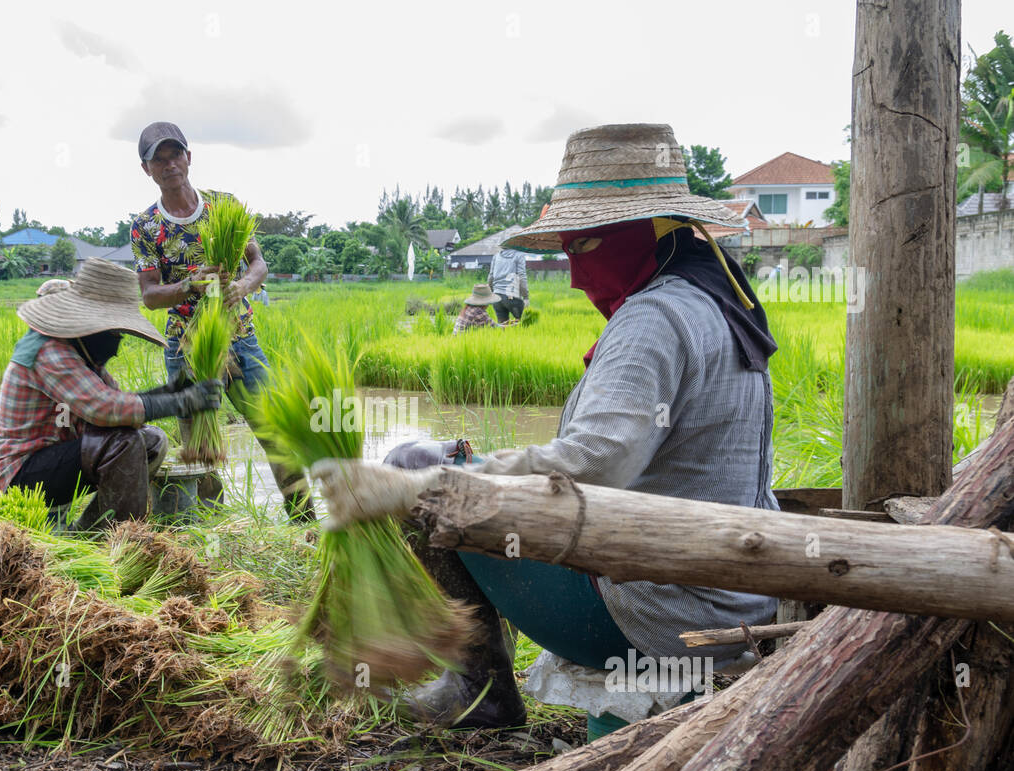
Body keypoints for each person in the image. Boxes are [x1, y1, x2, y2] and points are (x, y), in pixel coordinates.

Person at [311, 124, 781, 736]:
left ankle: (480, 695)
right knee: (434, 460)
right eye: (565, 253)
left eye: (584, 249)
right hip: (737, 599)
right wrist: (472, 465)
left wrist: (424, 485)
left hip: (661, 617)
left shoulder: (654, 317)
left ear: (643, 233)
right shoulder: (716, 298)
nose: (578, 277)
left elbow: (593, 462)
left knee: (409, 468)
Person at [130, 121, 315, 524]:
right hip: (186, 347)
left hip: (241, 339)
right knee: (201, 447)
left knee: (276, 430)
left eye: (174, 154)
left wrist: (245, 286)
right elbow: (149, 295)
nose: (168, 164)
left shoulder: (224, 206)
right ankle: (218, 533)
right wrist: (189, 286)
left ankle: (305, 522)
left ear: (189, 157)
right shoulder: (145, 227)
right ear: (146, 170)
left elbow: (258, 262)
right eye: (157, 159)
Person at [0, 258, 223, 531]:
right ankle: (123, 538)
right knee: (121, 443)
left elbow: (121, 406)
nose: (117, 341)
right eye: (114, 331)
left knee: (151, 440)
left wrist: (169, 391)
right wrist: (179, 402)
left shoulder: (81, 352)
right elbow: (103, 408)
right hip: (22, 474)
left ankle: (92, 532)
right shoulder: (49, 351)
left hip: (58, 460)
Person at [487, 245, 529, 323]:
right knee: (523, 324)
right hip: (512, 296)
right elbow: (522, 277)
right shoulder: (519, 255)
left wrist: (492, 292)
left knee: (503, 326)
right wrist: (526, 297)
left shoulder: (496, 256)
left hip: (497, 297)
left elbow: (490, 277)